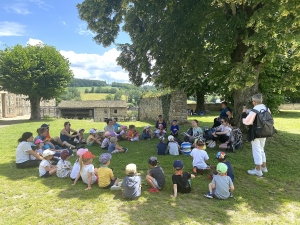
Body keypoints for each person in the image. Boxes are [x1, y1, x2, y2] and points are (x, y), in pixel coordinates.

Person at [242, 94, 269, 177]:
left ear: (254, 102)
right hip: (265, 131)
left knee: (256, 150)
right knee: (261, 149)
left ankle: (258, 170)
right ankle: (264, 167)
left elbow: (247, 121)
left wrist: (243, 114)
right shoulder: (266, 108)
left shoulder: (255, 110)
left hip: (256, 132)